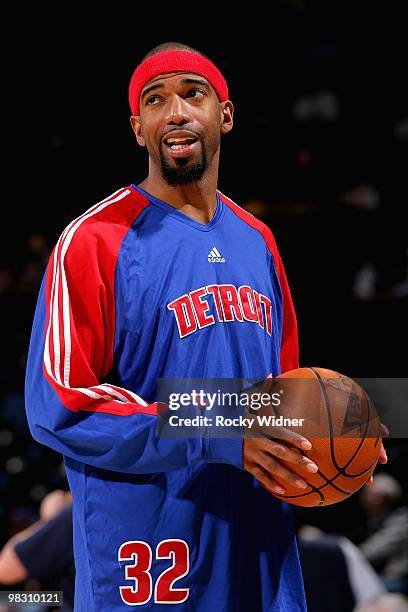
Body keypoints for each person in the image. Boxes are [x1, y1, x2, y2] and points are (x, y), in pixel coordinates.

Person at [24, 41, 387, 611]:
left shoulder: (257, 241)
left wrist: (342, 431)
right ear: (138, 128)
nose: (175, 112)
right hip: (152, 552)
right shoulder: (93, 240)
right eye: (155, 100)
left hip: (254, 538)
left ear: (226, 114)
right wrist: (215, 430)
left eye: (193, 94)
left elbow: (282, 395)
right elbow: (61, 404)